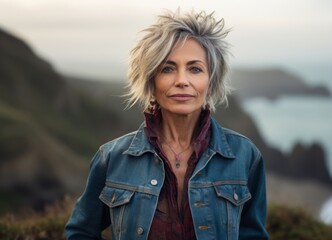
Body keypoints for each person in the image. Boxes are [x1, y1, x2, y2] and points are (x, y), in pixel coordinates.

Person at [65, 9, 268, 240]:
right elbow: (81, 232)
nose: (182, 81)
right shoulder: (111, 158)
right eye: (168, 69)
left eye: (195, 69)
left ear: (210, 83)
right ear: (151, 80)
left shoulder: (246, 156)